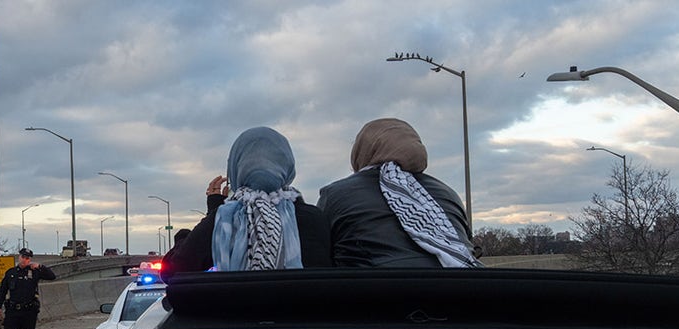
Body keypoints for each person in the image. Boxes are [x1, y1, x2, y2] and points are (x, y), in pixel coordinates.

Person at [161, 127, 332, 280]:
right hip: (299, 316)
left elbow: (172, 270)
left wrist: (215, 212)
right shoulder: (313, 219)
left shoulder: (224, 220)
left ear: (236, 167)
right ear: (288, 167)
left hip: (237, 315)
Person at [317, 117, 481, 268]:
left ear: (362, 151)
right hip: (457, 291)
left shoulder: (335, 194)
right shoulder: (449, 194)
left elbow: (318, 255)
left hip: (368, 291)